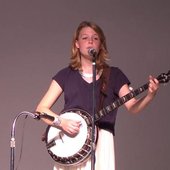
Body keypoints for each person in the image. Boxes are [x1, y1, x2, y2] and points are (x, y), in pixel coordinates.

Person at [36, 21, 159, 170]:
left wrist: (149, 96)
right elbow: (41, 110)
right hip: (70, 143)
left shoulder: (114, 75)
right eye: (84, 38)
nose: (90, 41)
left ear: (100, 44)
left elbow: (132, 106)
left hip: (102, 143)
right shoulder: (65, 75)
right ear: (76, 44)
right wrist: (61, 123)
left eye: (95, 38)